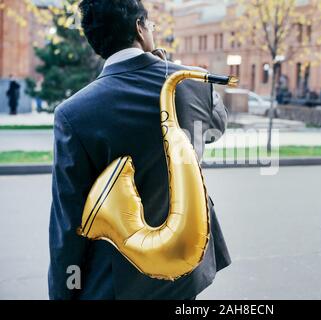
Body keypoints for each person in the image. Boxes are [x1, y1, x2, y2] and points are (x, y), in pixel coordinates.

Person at [48, 0, 231, 300]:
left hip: (118, 284)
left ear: (98, 45)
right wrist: (166, 64)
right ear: (140, 28)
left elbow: (68, 223)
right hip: (185, 271)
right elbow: (217, 125)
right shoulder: (191, 83)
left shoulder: (72, 113)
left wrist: (62, 293)